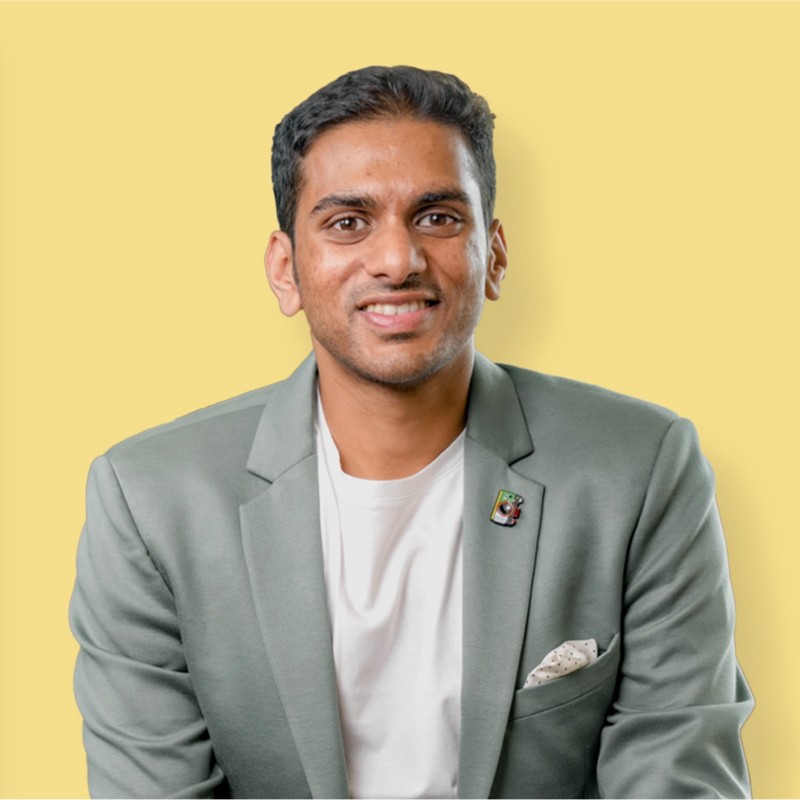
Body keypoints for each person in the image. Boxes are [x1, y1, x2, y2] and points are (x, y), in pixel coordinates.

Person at [69, 65, 753, 799]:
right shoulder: (151, 500)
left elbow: (676, 774)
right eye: (347, 223)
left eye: (437, 217)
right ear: (285, 269)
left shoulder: (640, 470)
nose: (397, 260)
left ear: (493, 254)